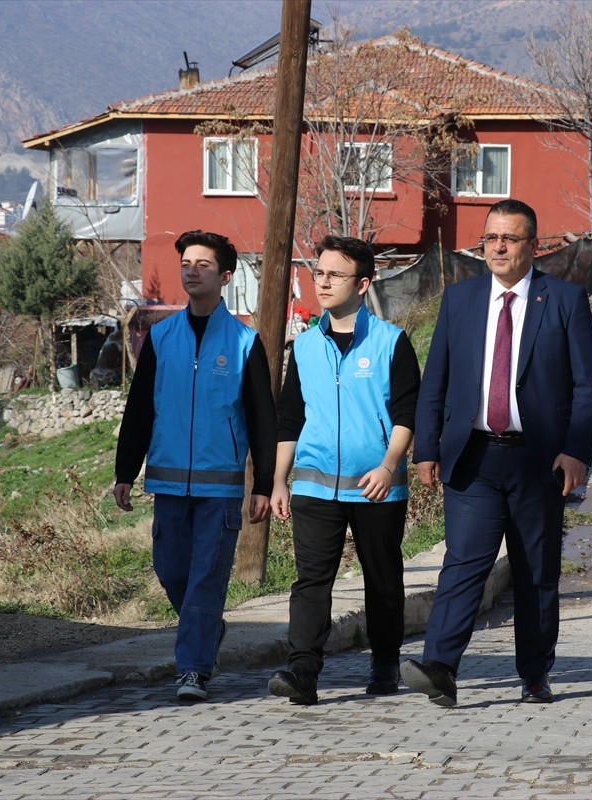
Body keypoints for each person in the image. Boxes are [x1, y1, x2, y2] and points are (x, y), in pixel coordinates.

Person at [403, 198, 592, 707]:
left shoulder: (564, 300)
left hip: (539, 458)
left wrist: (577, 451)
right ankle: (440, 667)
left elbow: (588, 386)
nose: (497, 247)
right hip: (473, 456)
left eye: (509, 238)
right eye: (490, 237)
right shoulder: (461, 299)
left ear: (532, 246)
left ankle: (535, 673)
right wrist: (427, 448)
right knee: (463, 563)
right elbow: (436, 380)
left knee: (536, 569)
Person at [113, 230, 275, 702]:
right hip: (167, 482)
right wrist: (126, 471)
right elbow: (140, 409)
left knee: (206, 576)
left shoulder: (244, 342)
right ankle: (207, 628)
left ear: (225, 276)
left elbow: (262, 418)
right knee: (171, 572)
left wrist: (264, 484)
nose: (192, 271)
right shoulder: (161, 338)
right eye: (186, 263)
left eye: (203, 264)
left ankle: (193, 670)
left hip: (220, 488)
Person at [266, 235, 420, 705]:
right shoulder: (306, 346)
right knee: (311, 582)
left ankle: (385, 663)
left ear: (363, 283)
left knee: (382, 579)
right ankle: (303, 672)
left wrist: (389, 466)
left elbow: (407, 413)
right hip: (314, 485)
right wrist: (278, 480)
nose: (324, 282)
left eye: (336, 274)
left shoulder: (391, 342)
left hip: (376, 487)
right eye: (319, 272)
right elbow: (290, 417)